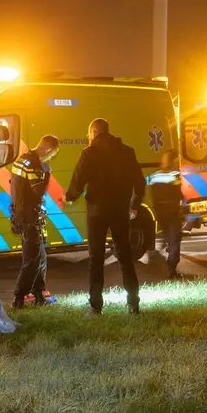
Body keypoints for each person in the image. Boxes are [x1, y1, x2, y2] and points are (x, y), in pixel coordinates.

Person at [63, 118, 146, 315]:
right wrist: (134, 205)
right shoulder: (127, 152)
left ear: (93, 132)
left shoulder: (90, 153)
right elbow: (139, 182)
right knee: (124, 256)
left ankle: (95, 306)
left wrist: (70, 196)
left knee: (96, 257)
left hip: (97, 211)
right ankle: (133, 303)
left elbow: (78, 179)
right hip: (120, 210)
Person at [9, 134, 60, 309]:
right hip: (30, 217)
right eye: (52, 154)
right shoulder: (36, 166)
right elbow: (38, 191)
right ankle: (19, 298)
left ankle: (39, 294)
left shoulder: (21, 160)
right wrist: (46, 174)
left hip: (20, 215)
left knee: (39, 256)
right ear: (48, 148)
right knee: (32, 259)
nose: (50, 157)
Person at [147, 149, 184, 279]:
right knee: (175, 240)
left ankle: (159, 253)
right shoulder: (174, 175)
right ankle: (171, 268)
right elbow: (178, 194)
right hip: (172, 212)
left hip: (161, 212)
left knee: (167, 235)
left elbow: (153, 195)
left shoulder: (154, 176)